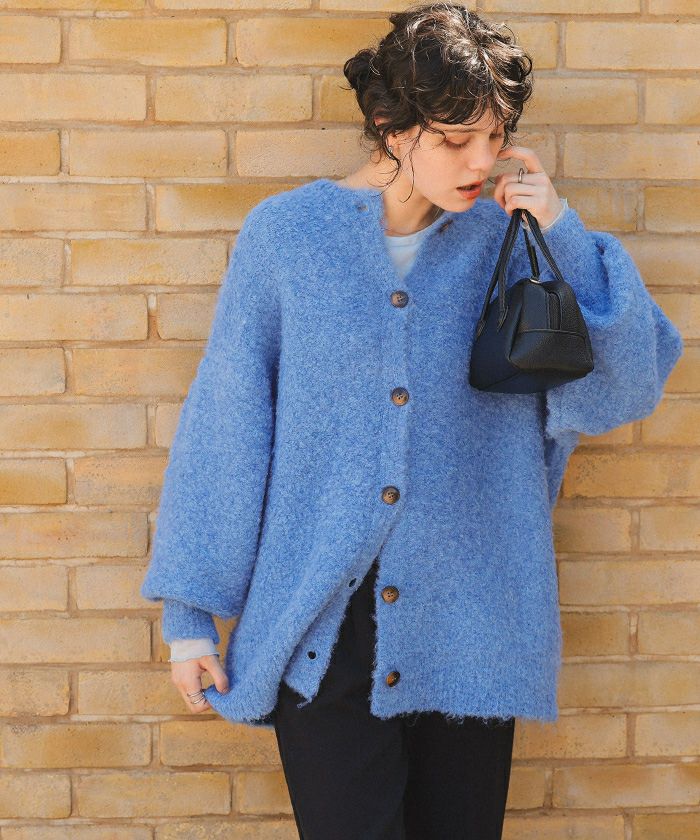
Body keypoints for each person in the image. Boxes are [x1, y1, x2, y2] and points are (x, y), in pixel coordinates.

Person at [140, 4, 684, 839]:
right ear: (392, 128)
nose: (481, 161)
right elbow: (228, 420)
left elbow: (623, 388)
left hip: (474, 623)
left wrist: (561, 230)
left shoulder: (510, 242)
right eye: (456, 139)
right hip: (322, 624)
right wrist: (189, 619)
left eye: (495, 137)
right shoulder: (288, 239)